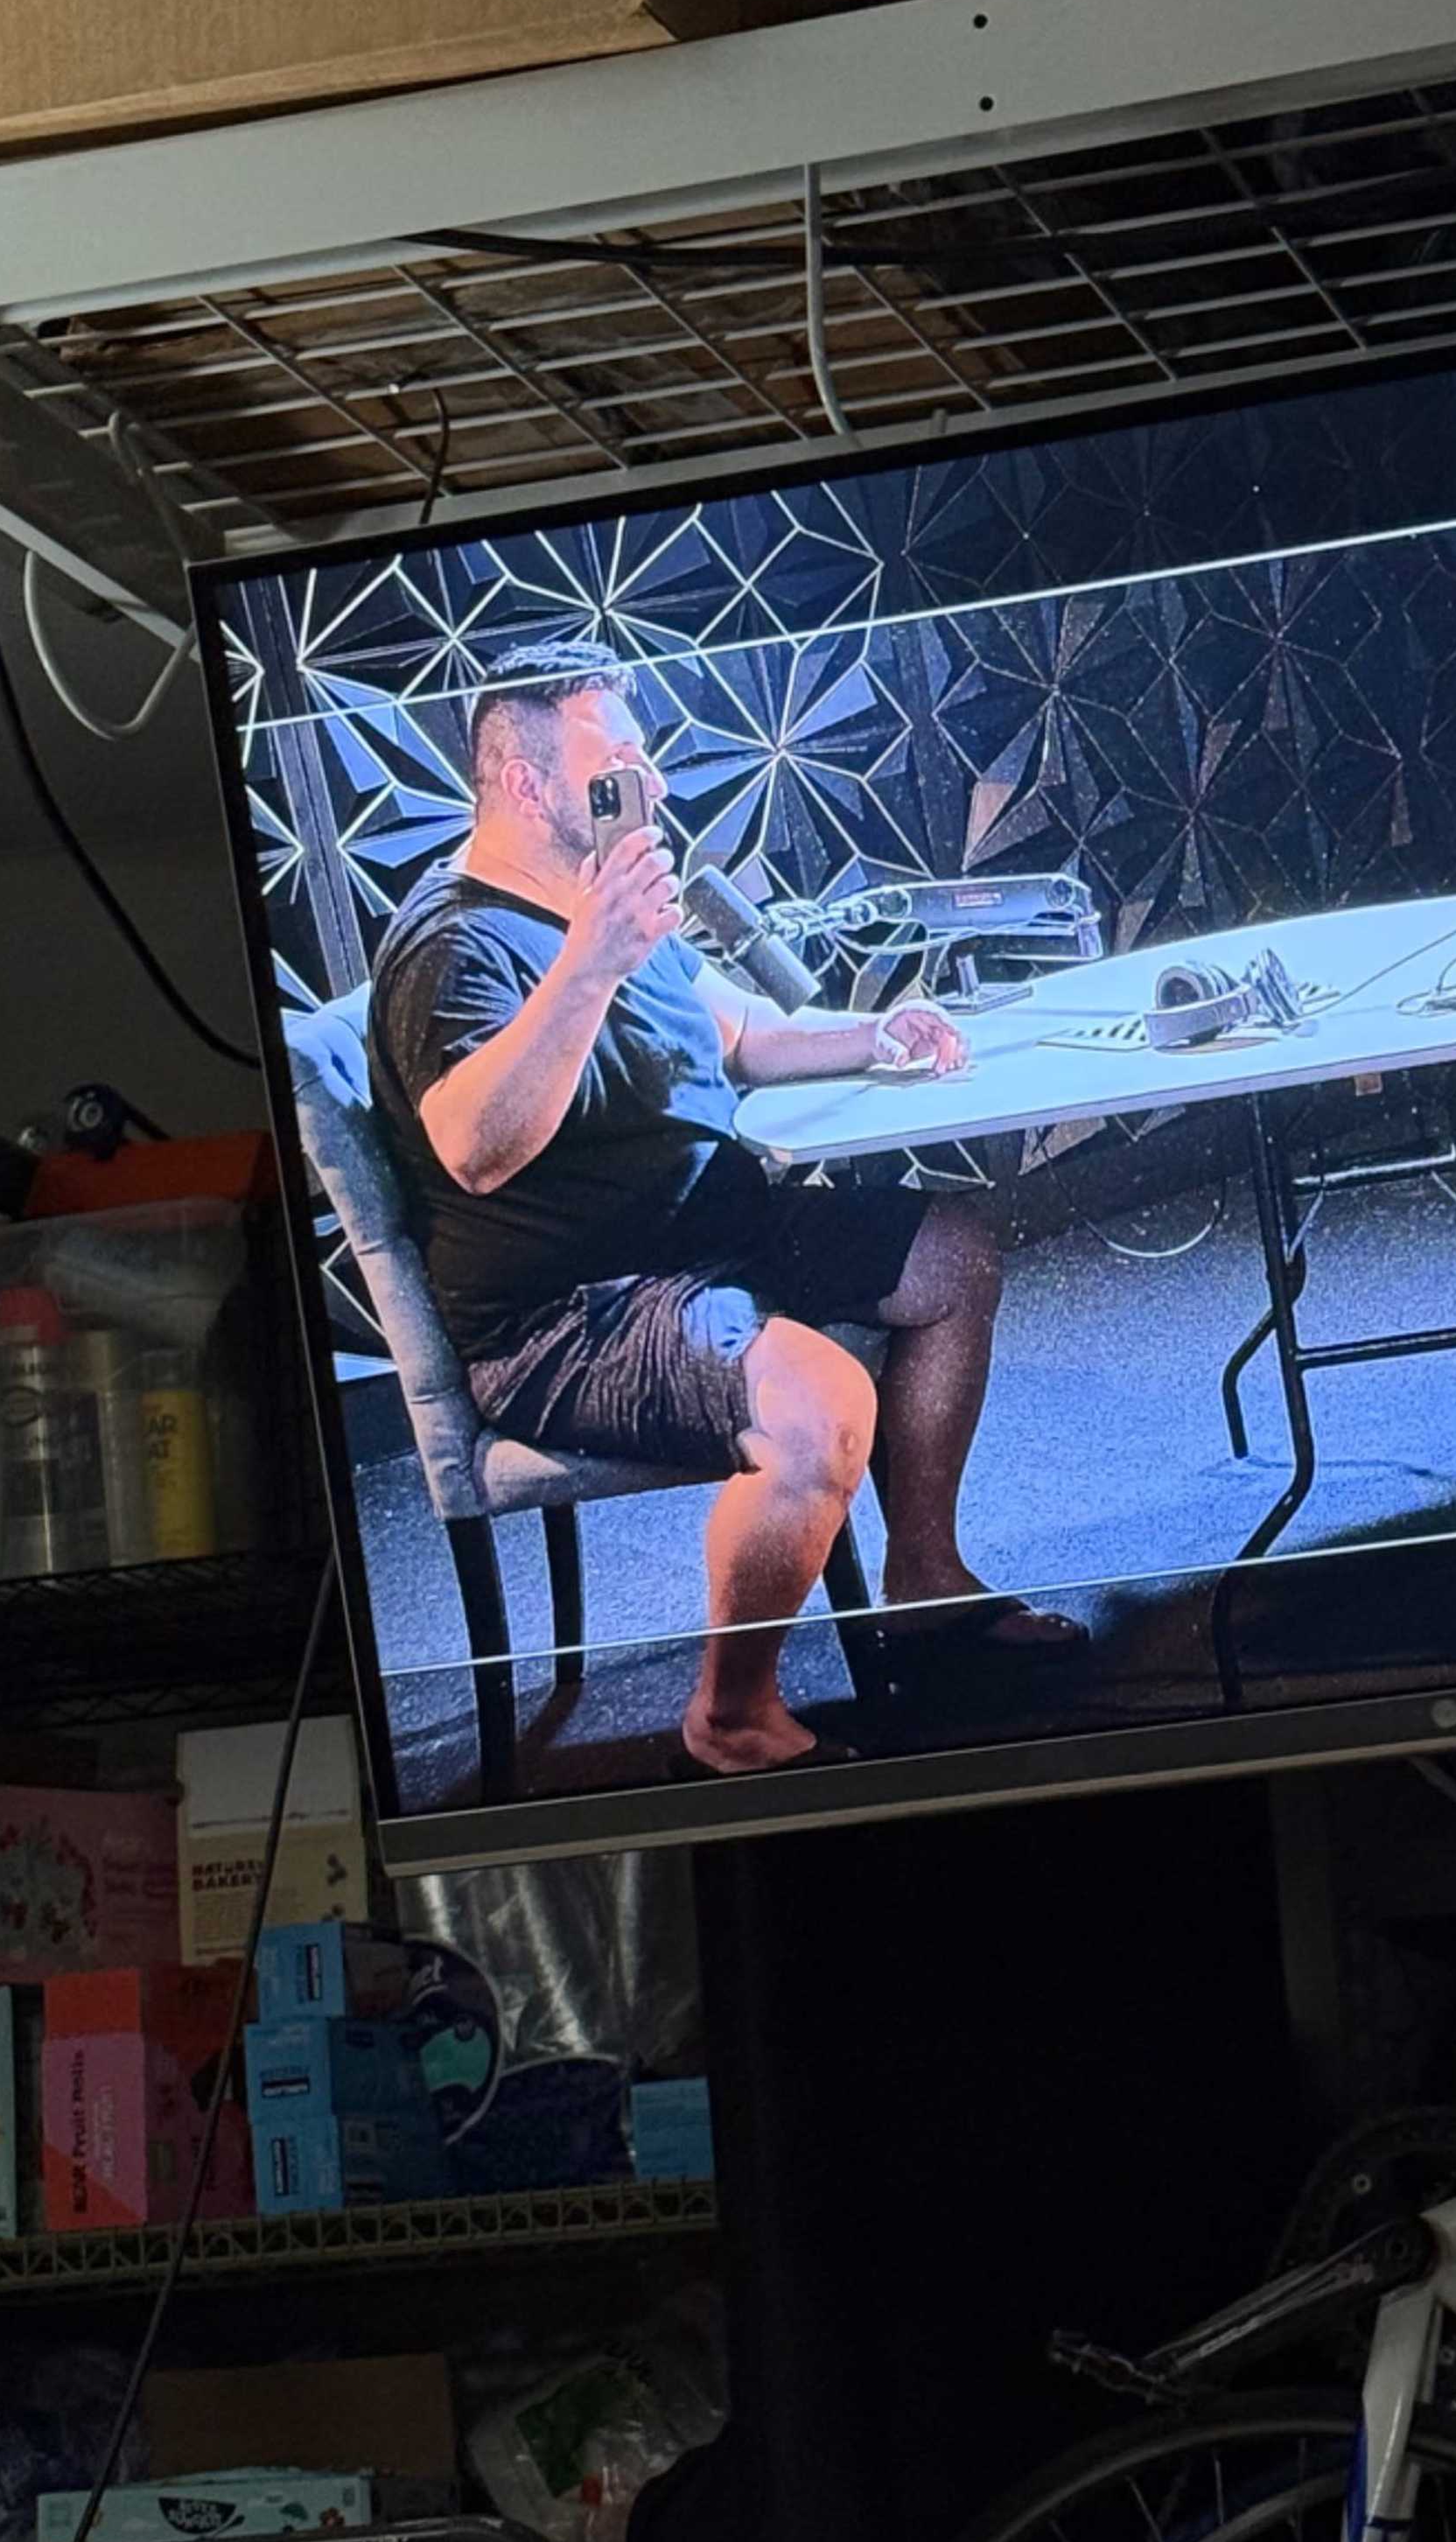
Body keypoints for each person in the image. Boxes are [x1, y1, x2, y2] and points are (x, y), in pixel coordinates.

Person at [367, 632, 1078, 1778]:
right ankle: (733, 1713)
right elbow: (475, 1149)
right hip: (573, 1311)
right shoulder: (453, 944)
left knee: (951, 1256)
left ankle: (925, 1583)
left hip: (712, 1237)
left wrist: (872, 1037)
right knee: (820, 1407)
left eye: (640, 763)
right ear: (526, 783)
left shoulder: (597, 890)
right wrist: (589, 964)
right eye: (615, 773)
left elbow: (736, 1033)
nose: (644, 791)